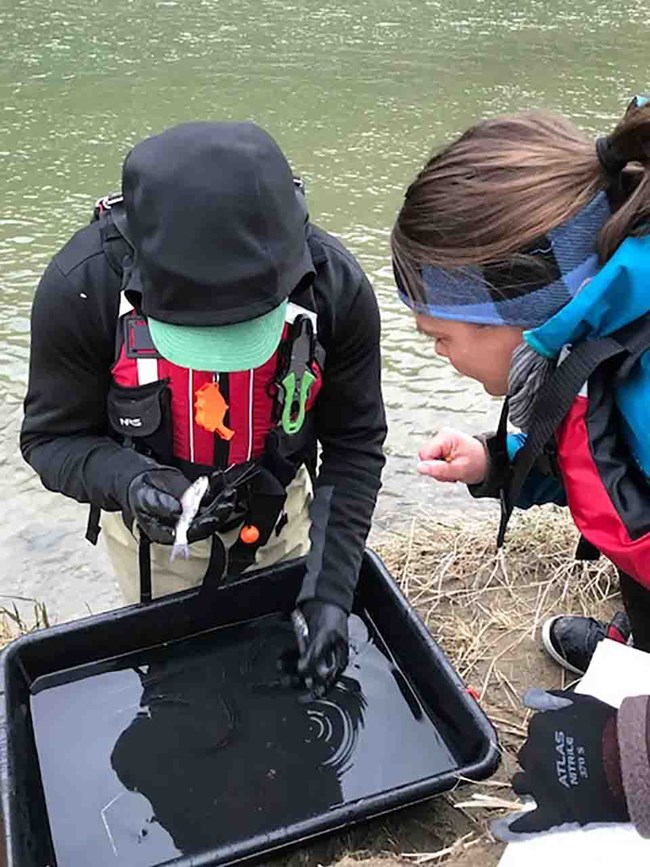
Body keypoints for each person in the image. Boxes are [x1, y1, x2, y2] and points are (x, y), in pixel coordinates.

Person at [21, 121, 387, 692]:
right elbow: (49, 441)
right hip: (152, 547)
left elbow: (355, 445)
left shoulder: (336, 286)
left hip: (282, 524)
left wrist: (329, 587)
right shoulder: (81, 287)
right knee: (172, 693)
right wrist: (129, 480)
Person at [390, 96, 650, 675]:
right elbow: (605, 460)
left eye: (439, 334)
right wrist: (492, 463)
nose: (436, 350)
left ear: (523, 315)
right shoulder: (599, 332)